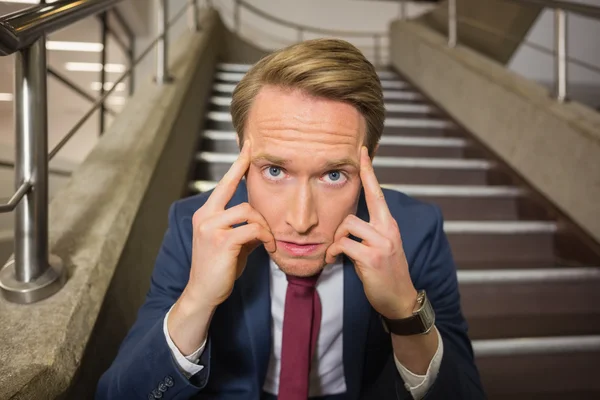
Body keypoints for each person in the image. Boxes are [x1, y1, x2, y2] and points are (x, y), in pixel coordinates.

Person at [96, 39, 484, 400]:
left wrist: (403, 311)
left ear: (370, 159)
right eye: (275, 171)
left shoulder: (415, 233)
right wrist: (196, 299)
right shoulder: (194, 226)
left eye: (334, 175)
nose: (301, 220)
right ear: (241, 151)